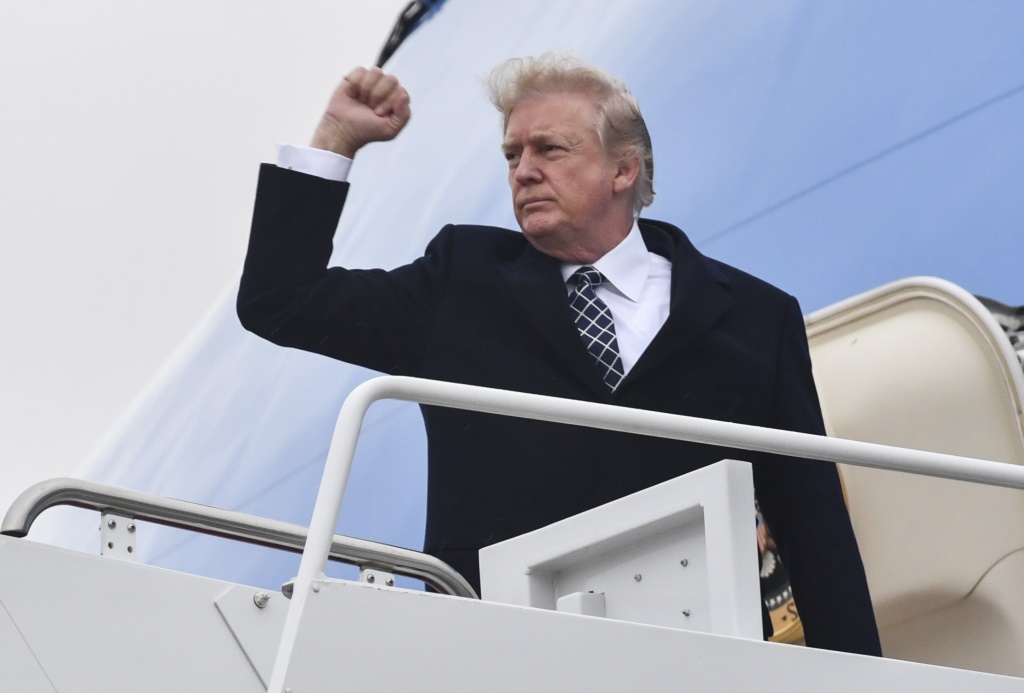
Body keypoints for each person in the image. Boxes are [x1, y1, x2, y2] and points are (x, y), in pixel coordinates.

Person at [237, 54, 881, 656]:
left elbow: (814, 528)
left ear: (623, 170)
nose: (523, 171)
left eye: (549, 149)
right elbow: (279, 299)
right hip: (503, 659)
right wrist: (334, 139)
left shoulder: (755, 315)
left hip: (704, 658)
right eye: (512, 154)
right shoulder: (458, 282)